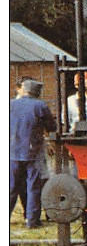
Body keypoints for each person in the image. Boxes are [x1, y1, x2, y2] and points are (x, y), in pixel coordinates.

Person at [10, 78, 56, 228]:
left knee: (11, 186)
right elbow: (52, 127)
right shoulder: (40, 105)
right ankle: (32, 221)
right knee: (33, 187)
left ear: (23, 90)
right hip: (33, 152)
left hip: (12, 151)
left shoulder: (11, 104)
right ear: (37, 92)